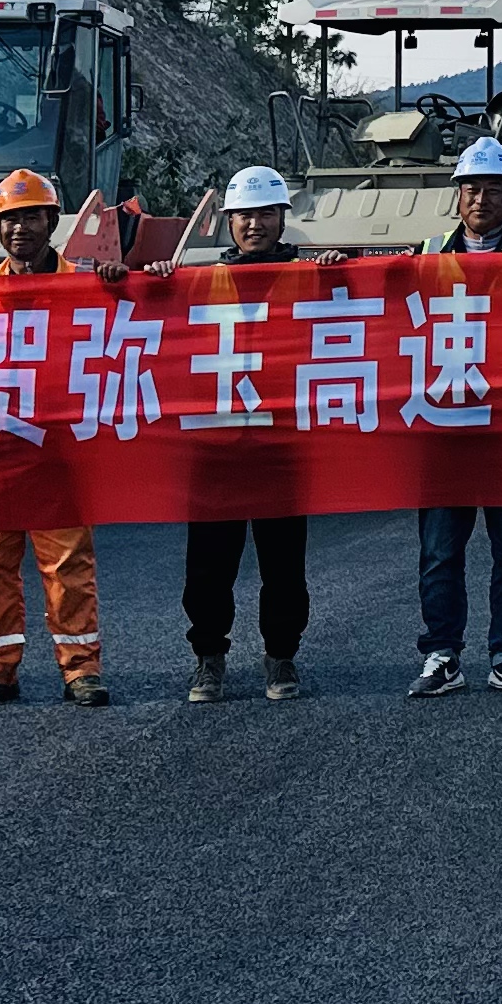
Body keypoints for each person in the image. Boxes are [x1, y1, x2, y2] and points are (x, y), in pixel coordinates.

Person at [0, 169, 107, 708]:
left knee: (67, 566)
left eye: (31, 216)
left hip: (58, 452)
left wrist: (125, 281)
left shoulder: (87, 286)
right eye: (9, 218)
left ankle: (80, 670)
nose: (20, 227)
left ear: (51, 222)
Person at [414, 137, 502, 699]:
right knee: (440, 550)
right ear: (457, 196)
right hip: (444, 426)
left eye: (495, 189)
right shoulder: (427, 252)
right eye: (472, 188)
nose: (482, 199)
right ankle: (442, 654)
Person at [180, 165, 312, 703]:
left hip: (281, 445)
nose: (253, 225)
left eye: (264, 215)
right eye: (243, 216)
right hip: (217, 443)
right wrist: (155, 277)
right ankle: (208, 657)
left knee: (283, 562)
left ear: (283, 219)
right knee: (208, 564)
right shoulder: (200, 281)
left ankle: (281, 657)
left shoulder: (311, 278)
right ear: (227, 222)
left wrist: (336, 270)